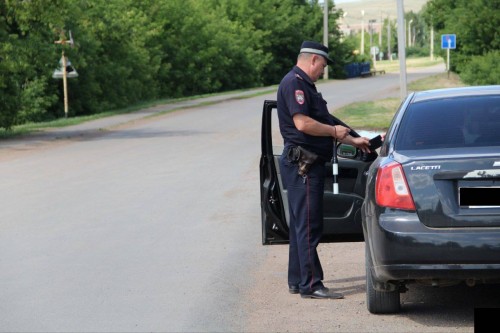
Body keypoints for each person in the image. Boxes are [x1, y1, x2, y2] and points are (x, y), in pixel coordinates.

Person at [277, 41, 371, 299]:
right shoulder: (295, 83)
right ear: (313, 60)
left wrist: (354, 139)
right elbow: (303, 123)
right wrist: (332, 132)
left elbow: (327, 120)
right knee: (309, 225)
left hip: (303, 164)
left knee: (300, 224)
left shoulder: (304, 85)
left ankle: (298, 280)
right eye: (323, 66)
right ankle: (311, 284)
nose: (323, 71)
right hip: (303, 164)